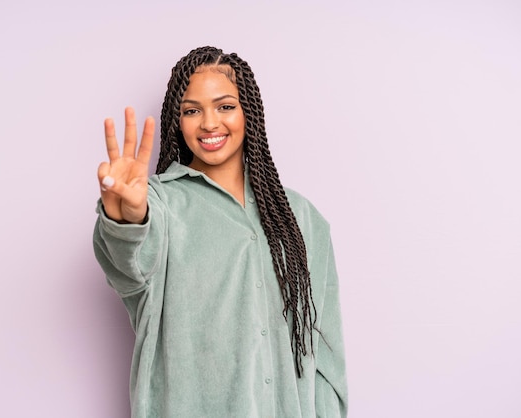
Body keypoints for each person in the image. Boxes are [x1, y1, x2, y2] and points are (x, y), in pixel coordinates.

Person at [93, 46, 347, 417]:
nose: (209, 123)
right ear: (177, 121)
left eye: (225, 106)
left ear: (250, 114)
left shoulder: (302, 219)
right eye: (192, 110)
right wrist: (127, 218)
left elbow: (326, 356)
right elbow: (128, 270)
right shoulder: (161, 205)